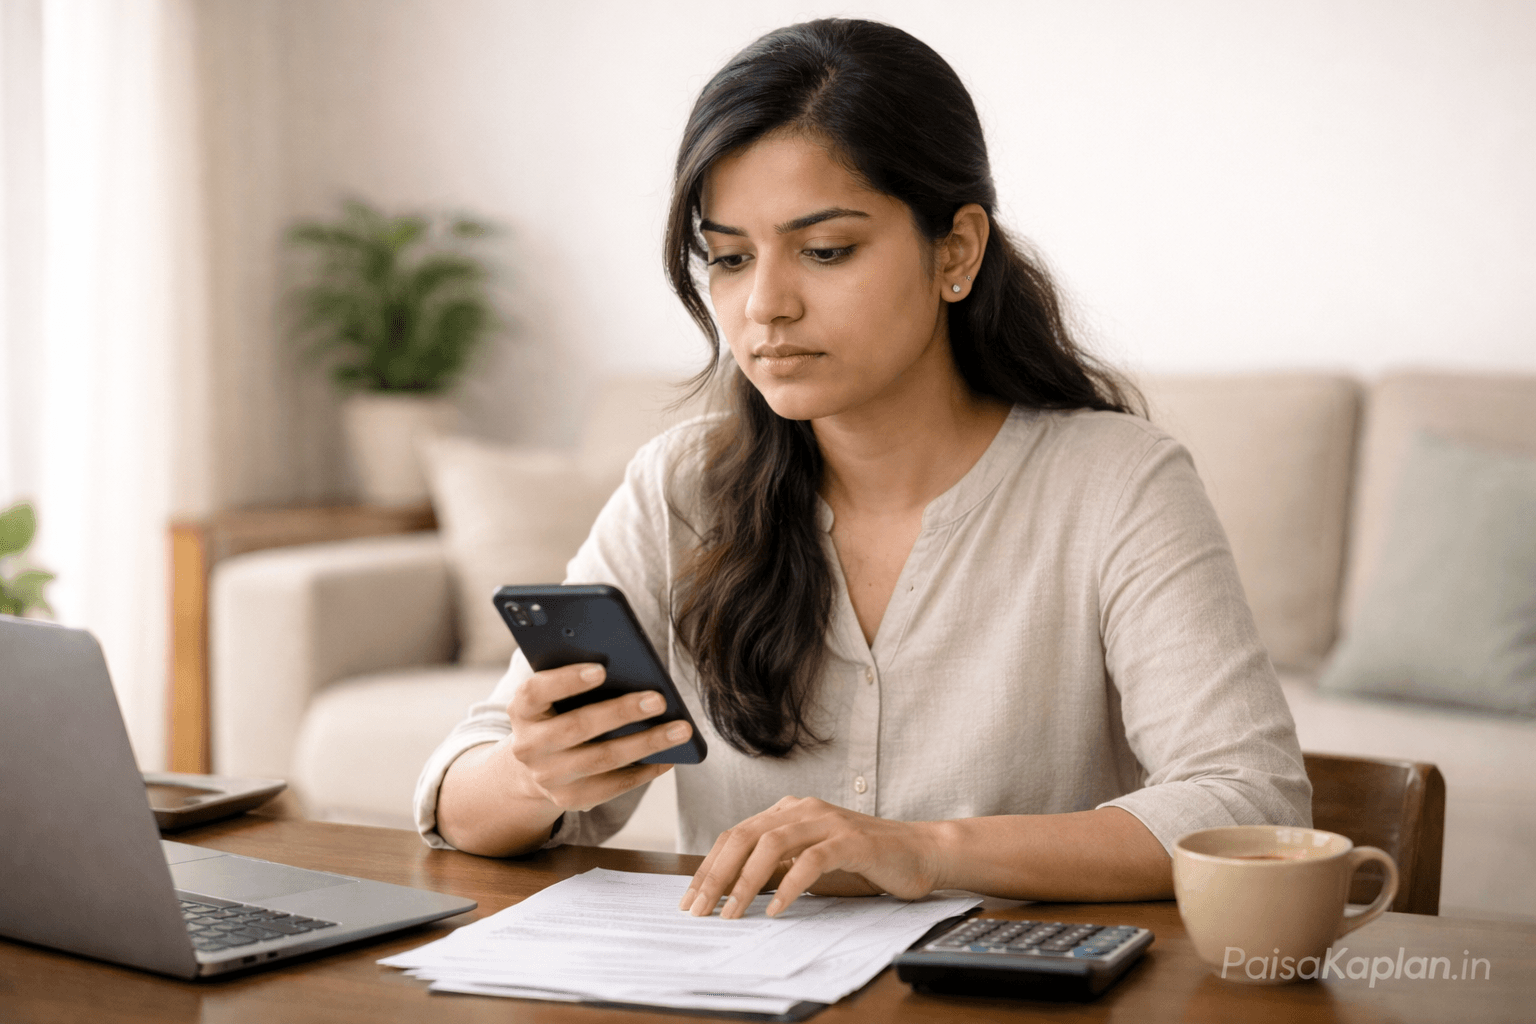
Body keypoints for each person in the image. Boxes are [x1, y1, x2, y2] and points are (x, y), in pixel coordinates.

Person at [416, 18, 1310, 920]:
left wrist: (922, 850)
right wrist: (535, 775)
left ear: (956, 250)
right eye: (728, 258)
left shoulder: (1117, 484)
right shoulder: (679, 489)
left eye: (826, 250)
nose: (764, 304)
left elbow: (1248, 801)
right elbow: (459, 795)